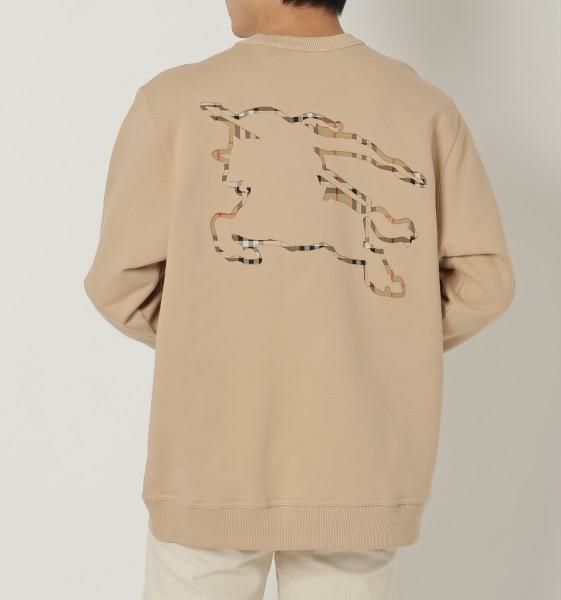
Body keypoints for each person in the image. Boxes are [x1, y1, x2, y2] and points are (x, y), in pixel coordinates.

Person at [83, 0, 516, 598]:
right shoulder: (423, 108)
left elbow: (120, 283)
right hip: (360, 461)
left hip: (208, 460)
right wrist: (382, 336)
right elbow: (485, 282)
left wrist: (214, 332)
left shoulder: (171, 102)